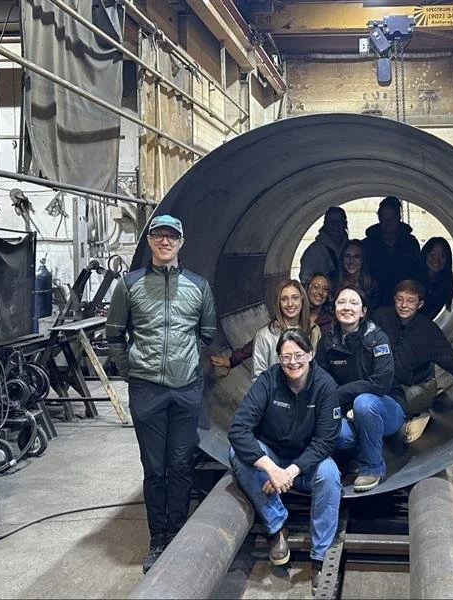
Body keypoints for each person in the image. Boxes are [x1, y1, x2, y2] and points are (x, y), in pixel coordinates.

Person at [105, 214, 216, 573]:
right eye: (158, 235)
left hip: (185, 390)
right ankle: (157, 541)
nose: (165, 241)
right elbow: (114, 335)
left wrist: (186, 364)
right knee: (154, 469)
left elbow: (207, 333)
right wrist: (132, 371)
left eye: (172, 236)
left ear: (181, 242)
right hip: (147, 390)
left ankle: (178, 536)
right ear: (149, 240)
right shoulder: (129, 284)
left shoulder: (198, 286)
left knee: (181, 465)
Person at [228, 329, 342, 594]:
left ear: (310, 355)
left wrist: (288, 472)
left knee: (330, 475)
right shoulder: (268, 381)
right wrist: (270, 469)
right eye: (286, 357)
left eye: (299, 355)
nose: (293, 362)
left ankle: (319, 556)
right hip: (274, 456)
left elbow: (325, 441)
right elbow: (238, 429)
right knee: (238, 454)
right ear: (278, 358)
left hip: (307, 461)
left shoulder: (325, 386)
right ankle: (277, 525)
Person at [373, 279, 453, 444]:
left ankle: (417, 415)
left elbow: (452, 362)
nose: (403, 305)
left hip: (418, 385)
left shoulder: (428, 331)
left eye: (410, 301)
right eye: (400, 299)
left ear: (420, 304)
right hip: (390, 383)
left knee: (394, 404)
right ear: (394, 299)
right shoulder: (381, 318)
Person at [315, 285, 405, 493]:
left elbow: (380, 383)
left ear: (363, 311)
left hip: (385, 409)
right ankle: (356, 452)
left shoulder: (377, 339)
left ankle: (372, 467)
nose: (347, 307)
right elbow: (322, 384)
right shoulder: (327, 343)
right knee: (337, 435)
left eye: (354, 303)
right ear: (335, 308)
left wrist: (343, 395)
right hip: (347, 411)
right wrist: (344, 406)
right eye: (341, 302)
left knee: (364, 403)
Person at [253, 279, 320, 382]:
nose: (290, 304)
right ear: (278, 302)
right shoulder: (265, 335)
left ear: (302, 298)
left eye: (295, 298)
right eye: (284, 299)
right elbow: (258, 377)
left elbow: (318, 370)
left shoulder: (313, 331)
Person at [362, 196, 420, 306]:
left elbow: (418, 273)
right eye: (384, 217)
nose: (388, 221)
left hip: (404, 303)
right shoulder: (367, 245)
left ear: (399, 217)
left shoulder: (410, 243)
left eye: (392, 217)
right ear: (379, 218)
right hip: (374, 304)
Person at [299, 206, 349, 285]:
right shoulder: (314, 251)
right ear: (325, 224)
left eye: (339, 221)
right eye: (331, 221)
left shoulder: (350, 248)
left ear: (345, 223)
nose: (335, 225)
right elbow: (305, 281)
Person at [335, 239, 381, 312]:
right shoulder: (333, 281)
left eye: (356, 257)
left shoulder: (372, 286)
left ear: (363, 259)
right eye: (347, 256)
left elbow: (374, 313)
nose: (351, 261)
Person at [418, 237, 453, 320]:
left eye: (442, 256)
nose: (436, 260)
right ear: (425, 255)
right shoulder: (413, 276)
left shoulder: (446, 284)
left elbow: (431, 314)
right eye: (432, 254)